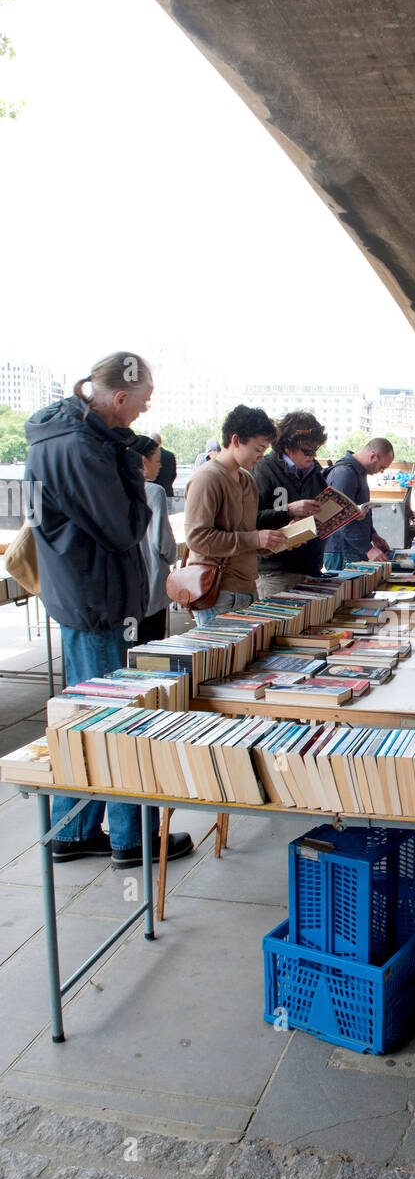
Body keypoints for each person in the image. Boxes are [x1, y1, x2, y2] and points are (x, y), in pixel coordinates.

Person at [24, 351, 192, 868]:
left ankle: (73, 831)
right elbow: (123, 528)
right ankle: (128, 838)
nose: (144, 413)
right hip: (97, 600)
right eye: (143, 403)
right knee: (112, 720)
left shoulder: (65, 437)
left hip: (84, 596)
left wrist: (120, 449)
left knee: (87, 717)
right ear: (119, 398)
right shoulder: (84, 448)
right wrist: (134, 466)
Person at [184, 405, 285, 626]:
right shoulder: (207, 478)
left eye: (264, 451)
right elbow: (197, 538)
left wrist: (272, 543)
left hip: (247, 590)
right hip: (217, 592)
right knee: (219, 660)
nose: (261, 457)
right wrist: (255, 539)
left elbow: (244, 535)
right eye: (258, 449)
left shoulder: (247, 480)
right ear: (236, 440)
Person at [254, 411, 326, 597]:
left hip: (310, 569)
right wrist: (289, 510)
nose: (312, 456)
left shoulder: (315, 472)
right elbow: (252, 519)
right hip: (276, 572)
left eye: (315, 450)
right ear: (287, 446)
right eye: (307, 451)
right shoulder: (263, 469)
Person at [131, 435, 178, 642]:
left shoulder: (112, 490)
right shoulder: (154, 492)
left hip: (126, 590)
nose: (160, 466)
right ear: (143, 461)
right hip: (152, 585)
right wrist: (172, 557)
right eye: (157, 460)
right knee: (152, 649)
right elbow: (165, 545)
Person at [322, 438, 394, 569]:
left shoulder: (357, 473)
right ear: (373, 456)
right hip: (342, 550)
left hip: (352, 548)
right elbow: (341, 519)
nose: (382, 471)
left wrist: (373, 535)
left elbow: (360, 512)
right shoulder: (345, 474)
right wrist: (367, 549)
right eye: (382, 467)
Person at [151, 431, 177, 499]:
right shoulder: (170, 455)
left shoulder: (151, 455)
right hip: (168, 492)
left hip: (154, 494)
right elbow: (174, 474)